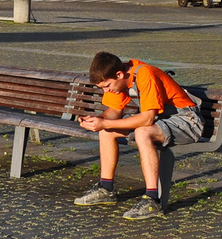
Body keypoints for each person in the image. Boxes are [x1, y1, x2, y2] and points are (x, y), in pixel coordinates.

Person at [73, 51, 203, 219]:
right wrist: (98, 120)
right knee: (106, 130)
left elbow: (147, 119)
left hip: (186, 121)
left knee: (143, 132)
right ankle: (106, 188)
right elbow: (115, 110)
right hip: (161, 120)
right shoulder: (120, 77)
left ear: (119, 74)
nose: (107, 90)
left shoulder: (145, 74)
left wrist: (105, 122)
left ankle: (153, 199)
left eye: (107, 86)